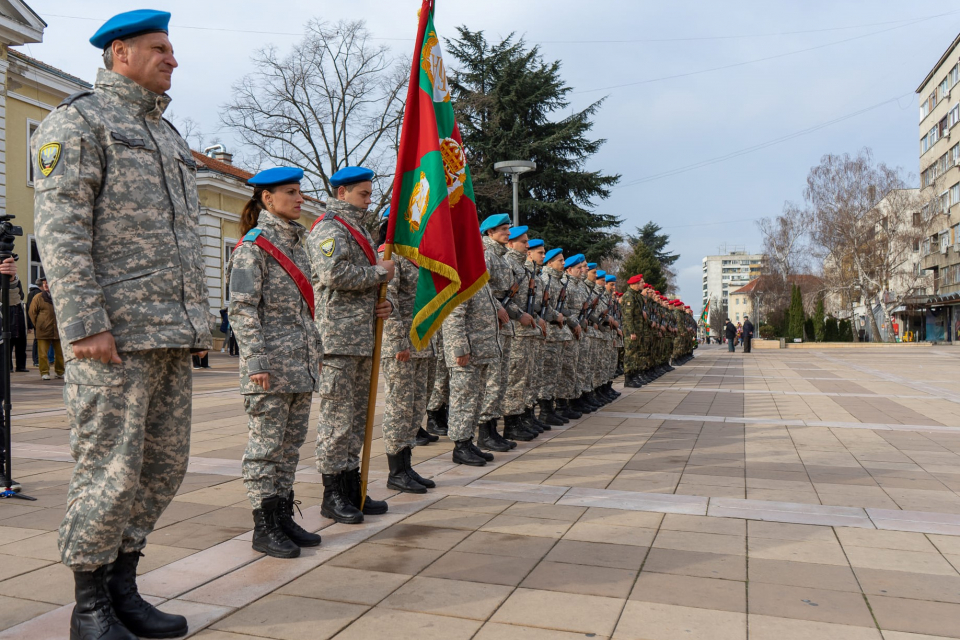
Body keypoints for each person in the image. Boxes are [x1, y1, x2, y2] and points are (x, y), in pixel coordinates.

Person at [32, 10, 213, 639]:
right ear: (120, 54)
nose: (172, 58)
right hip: (113, 337)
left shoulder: (167, 137)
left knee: (163, 468)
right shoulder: (78, 122)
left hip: (167, 332)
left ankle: (123, 586)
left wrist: (195, 325)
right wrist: (84, 324)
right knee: (107, 468)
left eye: (172, 48)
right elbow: (60, 233)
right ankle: (89, 609)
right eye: (159, 48)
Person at [228, 167, 322, 558]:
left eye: (300, 192)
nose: (300, 199)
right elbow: (242, 309)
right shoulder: (255, 247)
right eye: (291, 192)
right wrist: (256, 361)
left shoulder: (299, 243)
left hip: (300, 364)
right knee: (265, 449)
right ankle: (263, 527)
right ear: (267, 199)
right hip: (270, 368)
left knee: (288, 448)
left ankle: (283, 516)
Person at [308, 166, 394, 525]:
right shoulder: (330, 229)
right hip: (338, 340)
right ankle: (332, 495)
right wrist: (378, 274)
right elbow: (333, 274)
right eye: (363, 192)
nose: (369, 198)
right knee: (336, 421)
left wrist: (384, 302)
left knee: (356, 421)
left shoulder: (358, 229)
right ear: (342, 193)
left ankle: (351, 486)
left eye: (370, 192)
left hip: (361, 338)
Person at [377, 209, 438, 494]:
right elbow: (388, 303)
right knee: (400, 409)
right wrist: (399, 342)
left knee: (415, 409)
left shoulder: (418, 257)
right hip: (402, 346)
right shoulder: (391, 256)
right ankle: (395, 471)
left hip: (422, 345)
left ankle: (407, 464)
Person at [480, 213, 531, 443]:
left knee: (500, 380)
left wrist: (518, 314)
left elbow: (506, 295)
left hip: (503, 326)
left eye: (508, 229)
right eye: (503, 229)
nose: (507, 233)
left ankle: (493, 431)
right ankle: (484, 434)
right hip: (489, 326)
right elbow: (481, 289)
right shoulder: (487, 255)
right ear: (489, 232)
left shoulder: (500, 257)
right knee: (491, 381)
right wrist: (497, 306)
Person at [27, 277, 64, 380]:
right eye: (44, 283)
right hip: (43, 330)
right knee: (42, 354)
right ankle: (44, 372)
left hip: (58, 330)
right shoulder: (38, 297)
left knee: (60, 353)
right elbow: (32, 312)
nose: (46, 285)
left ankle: (60, 372)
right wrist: (38, 325)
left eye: (48, 283)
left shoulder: (59, 297)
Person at [9, 280, 27, 372]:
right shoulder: (4, 303)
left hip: (20, 327)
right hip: (9, 328)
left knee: (21, 348)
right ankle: (9, 367)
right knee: (8, 348)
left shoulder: (20, 304)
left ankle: (21, 366)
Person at [26, 281, 40, 367]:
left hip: (36, 321)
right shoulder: (38, 294)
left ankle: (36, 360)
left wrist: (30, 324)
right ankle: (37, 360)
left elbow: (29, 310)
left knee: (37, 340)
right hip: (39, 322)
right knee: (38, 341)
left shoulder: (30, 293)